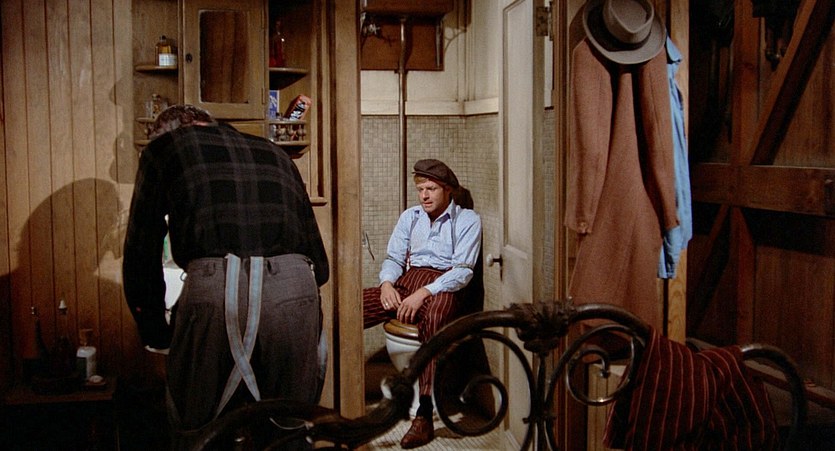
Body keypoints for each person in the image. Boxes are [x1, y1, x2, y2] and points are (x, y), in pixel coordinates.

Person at [122, 104, 329, 449]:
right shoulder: (274, 151)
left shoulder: (164, 148)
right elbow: (318, 263)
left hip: (216, 287)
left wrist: (155, 329)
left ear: (171, 130)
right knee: (290, 428)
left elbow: (141, 248)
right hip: (294, 286)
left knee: (200, 430)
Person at [363, 159, 482, 449]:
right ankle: (338, 395)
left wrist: (425, 292)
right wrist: (387, 284)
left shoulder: (467, 220)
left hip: (444, 286)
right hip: (408, 280)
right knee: (350, 308)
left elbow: (463, 271)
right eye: (420, 189)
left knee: (436, 317)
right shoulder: (411, 217)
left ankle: (424, 413)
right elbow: (394, 258)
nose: (424, 196)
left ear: (448, 190)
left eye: (431, 189)